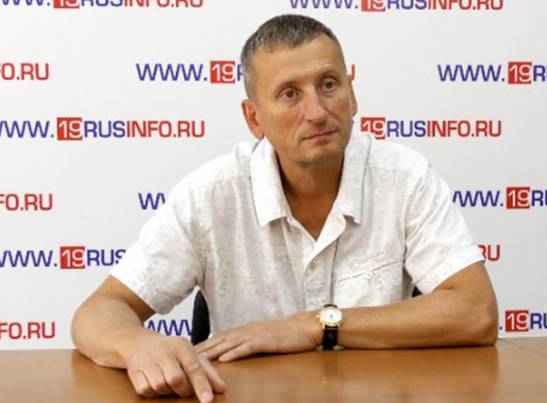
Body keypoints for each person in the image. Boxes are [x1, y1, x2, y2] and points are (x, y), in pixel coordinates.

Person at [71, 14, 498, 403]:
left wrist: (315, 325)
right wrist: (139, 345)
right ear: (254, 118)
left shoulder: (405, 178)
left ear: (352, 96)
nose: (317, 112)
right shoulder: (211, 195)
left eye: (328, 85)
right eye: (290, 94)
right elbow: (98, 312)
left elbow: (476, 313)